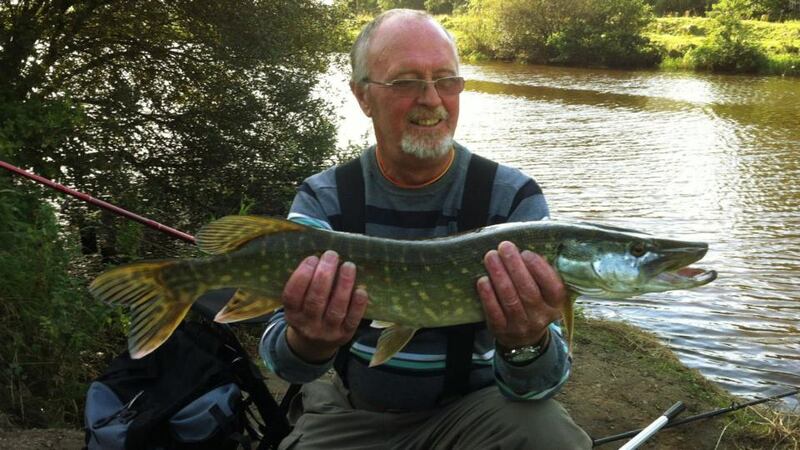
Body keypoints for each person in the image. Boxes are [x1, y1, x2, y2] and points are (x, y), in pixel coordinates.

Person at [260, 9, 592, 449]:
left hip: (478, 411)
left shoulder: (511, 197)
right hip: (354, 410)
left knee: (552, 439)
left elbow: (539, 387)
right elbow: (286, 366)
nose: (432, 99)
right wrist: (308, 343)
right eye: (405, 81)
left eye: (446, 79)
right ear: (363, 96)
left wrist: (525, 343)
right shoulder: (326, 197)